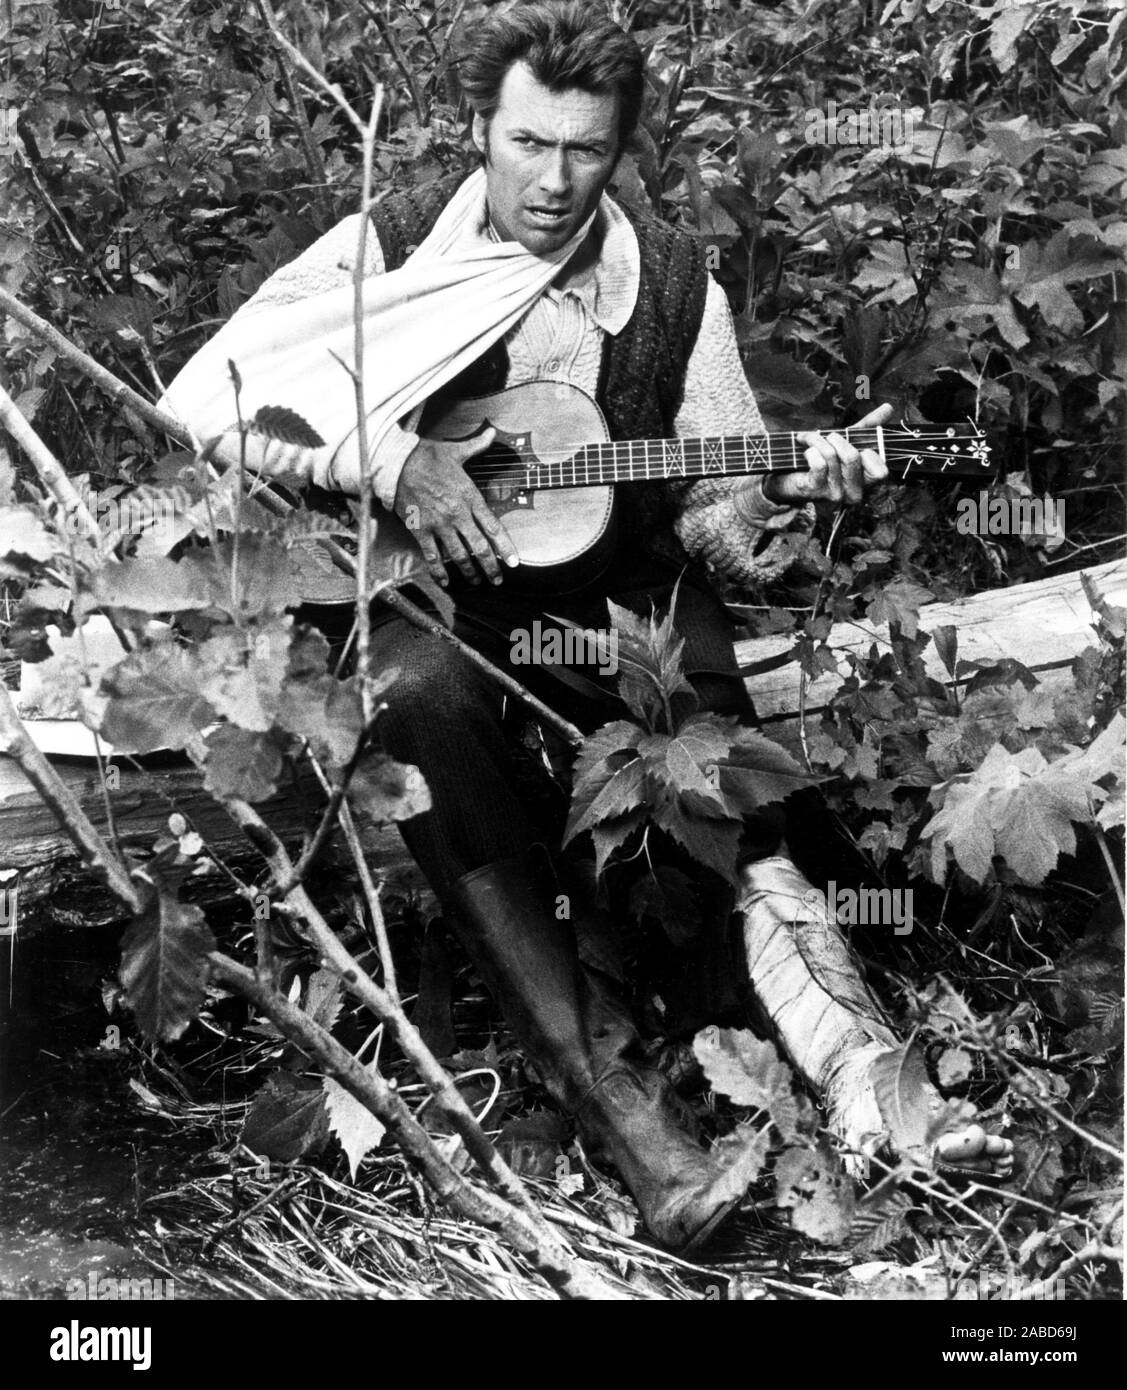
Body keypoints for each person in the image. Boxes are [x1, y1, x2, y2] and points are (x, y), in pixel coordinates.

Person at [162, 1, 1011, 1250]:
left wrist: (777, 489)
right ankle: (627, 1120)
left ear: (623, 152)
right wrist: (394, 462)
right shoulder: (390, 246)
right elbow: (210, 398)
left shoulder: (670, 285)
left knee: (722, 783)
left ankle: (869, 1086)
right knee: (411, 701)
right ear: (478, 133)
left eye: (585, 151)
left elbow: (716, 523)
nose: (551, 181)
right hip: (429, 592)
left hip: (623, 590)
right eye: (526, 143)